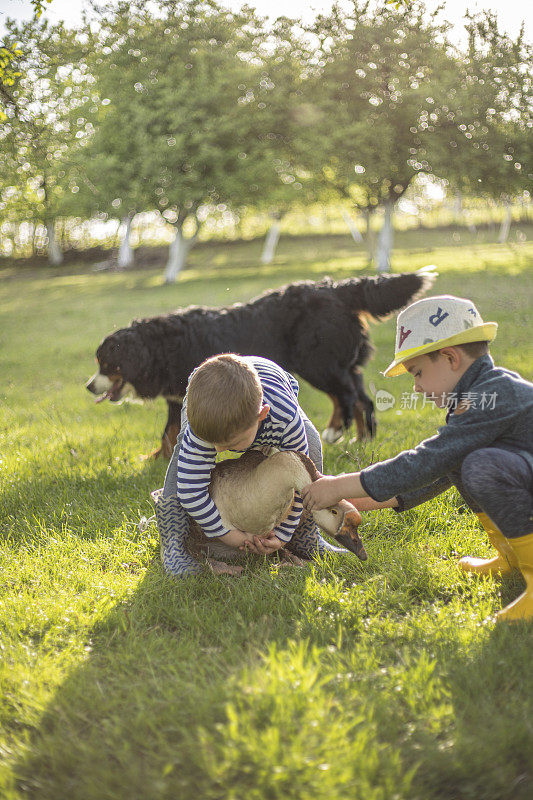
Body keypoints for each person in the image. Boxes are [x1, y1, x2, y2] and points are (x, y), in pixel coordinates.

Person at [301, 295, 533, 621]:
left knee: (481, 466)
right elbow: (435, 471)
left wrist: (339, 485)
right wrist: (350, 499)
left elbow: (424, 461)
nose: (417, 387)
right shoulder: (478, 394)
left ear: (451, 357)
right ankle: (511, 556)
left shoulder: (491, 396)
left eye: (417, 372)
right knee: (463, 461)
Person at [161, 353, 342, 567]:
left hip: (276, 384)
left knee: (308, 446)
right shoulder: (203, 426)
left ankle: (305, 535)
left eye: (229, 443)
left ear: (261, 416)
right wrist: (228, 534)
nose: (219, 450)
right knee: (184, 456)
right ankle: (174, 541)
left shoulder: (285, 420)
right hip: (206, 394)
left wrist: (284, 534)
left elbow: (300, 483)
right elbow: (191, 491)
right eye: (215, 443)